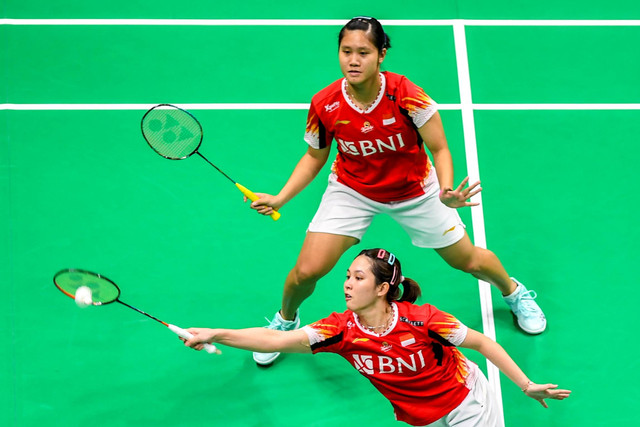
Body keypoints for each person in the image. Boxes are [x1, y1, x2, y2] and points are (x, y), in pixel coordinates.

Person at [249, 16, 546, 366]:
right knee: (306, 272)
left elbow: (440, 149)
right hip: (352, 188)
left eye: (363, 52)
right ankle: (286, 321)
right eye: (346, 51)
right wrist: (281, 197)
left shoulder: (407, 95)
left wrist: (447, 190)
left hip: (414, 190)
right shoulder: (325, 103)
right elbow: (315, 156)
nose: (353, 60)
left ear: (381, 54)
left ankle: (514, 292)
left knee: (467, 259)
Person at [182, 249, 570, 426]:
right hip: (421, 415)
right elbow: (274, 341)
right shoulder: (341, 330)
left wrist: (526, 385)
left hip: (467, 402)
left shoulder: (425, 321)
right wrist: (218, 332)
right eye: (347, 276)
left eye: (358, 278)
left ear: (384, 288)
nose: (347, 285)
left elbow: (483, 344)